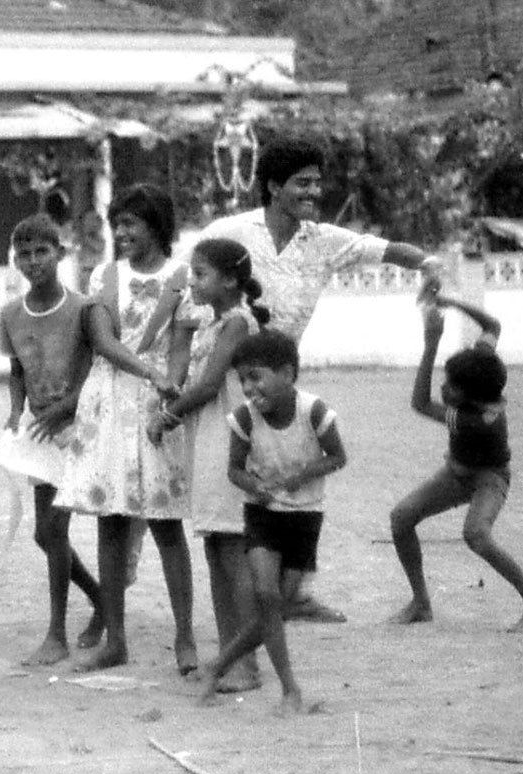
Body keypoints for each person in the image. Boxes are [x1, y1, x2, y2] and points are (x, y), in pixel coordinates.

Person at [197, 137, 444, 623]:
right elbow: (192, 279)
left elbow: (382, 249)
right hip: (230, 377)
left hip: (284, 378)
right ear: (272, 186)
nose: (314, 191)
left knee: (299, 476)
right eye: (302, 182)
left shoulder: (323, 238)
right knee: (239, 488)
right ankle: (257, 606)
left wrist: (428, 262)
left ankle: (295, 594)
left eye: (316, 181)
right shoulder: (231, 231)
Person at [54, 184, 197, 674]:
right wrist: (150, 373)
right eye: (119, 223)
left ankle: (185, 639)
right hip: (110, 402)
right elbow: (102, 340)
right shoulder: (106, 275)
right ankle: (116, 640)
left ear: (157, 225)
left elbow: (180, 348)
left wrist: (170, 394)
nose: (121, 232)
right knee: (111, 521)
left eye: (131, 222)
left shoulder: (183, 279)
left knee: (167, 524)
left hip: (156, 408)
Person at [196, 328, 344, 716]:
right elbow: (234, 470)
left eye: (256, 376)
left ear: (288, 374)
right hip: (262, 515)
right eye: (243, 379)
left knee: (280, 605)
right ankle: (290, 689)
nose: (248, 387)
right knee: (266, 594)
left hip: (305, 517)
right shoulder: (243, 419)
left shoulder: (314, 412)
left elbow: (337, 457)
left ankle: (218, 664)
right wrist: (255, 486)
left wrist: (302, 475)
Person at [386, 295, 523, 633]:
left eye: (452, 388)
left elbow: (419, 403)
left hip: (489, 479)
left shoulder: (477, 420)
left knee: (476, 534)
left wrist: (431, 343)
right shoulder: (484, 369)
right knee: (401, 518)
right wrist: (451, 302)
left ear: (473, 396)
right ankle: (420, 603)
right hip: (457, 472)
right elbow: (493, 326)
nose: (445, 389)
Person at [150, 238, 269, 694]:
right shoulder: (212, 324)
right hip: (209, 441)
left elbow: (209, 385)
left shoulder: (238, 323)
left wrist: (168, 415)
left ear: (231, 281)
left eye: (200, 274)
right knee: (216, 549)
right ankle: (228, 655)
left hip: (230, 442)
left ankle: (248, 664)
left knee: (233, 551)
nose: (192, 282)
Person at [0, 213, 106, 666]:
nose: (33, 261)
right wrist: (14, 410)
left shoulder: (83, 309)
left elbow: (98, 370)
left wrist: (66, 407)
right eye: (24, 253)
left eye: (42, 251)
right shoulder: (10, 314)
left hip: (82, 427)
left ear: (60, 254)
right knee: (45, 533)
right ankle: (102, 599)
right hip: (41, 431)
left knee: (54, 530)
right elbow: (18, 370)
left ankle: (56, 633)